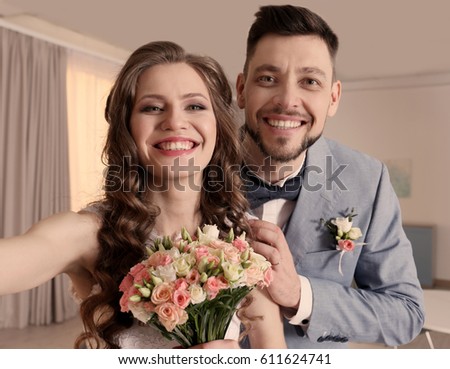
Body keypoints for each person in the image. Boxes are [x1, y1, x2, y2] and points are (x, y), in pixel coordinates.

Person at [0, 41, 285, 349]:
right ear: (127, 127)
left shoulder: (244, 239)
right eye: (152, 107)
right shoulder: (91, 234)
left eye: (195, 106)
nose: (175, 122)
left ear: (218, 124)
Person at [236, 5, 425, 348]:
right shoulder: (187, 166)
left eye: (310, 81)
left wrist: (300, 296)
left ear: (333, 97)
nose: (287, 100)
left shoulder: (368, 180)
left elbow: (406, 313)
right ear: (241, 88)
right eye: (267, 79)